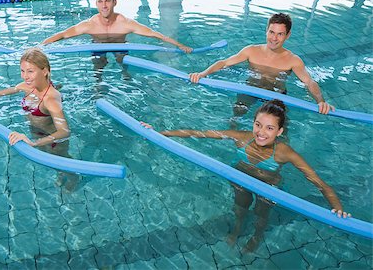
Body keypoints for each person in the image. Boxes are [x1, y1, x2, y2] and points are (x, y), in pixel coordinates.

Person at [143, 99, 349, 252]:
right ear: (253, 123)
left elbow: (320, 183)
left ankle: (257, 236)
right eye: (258, 125)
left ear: (279, 131)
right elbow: (199, 132)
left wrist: (338, 209)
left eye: (270, 128)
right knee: (240, 208)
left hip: (268, 188)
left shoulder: (284, 152)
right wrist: (160, 133)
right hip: (240, 180)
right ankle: (238, 228)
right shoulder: (241, 138)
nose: (261, 132)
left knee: (261, 214)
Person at [0, 48, 80, 191]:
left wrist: (33, 143)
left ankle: (74, 178)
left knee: (59, 160)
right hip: (36, 132)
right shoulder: (26, 87)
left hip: (53, 141)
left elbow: (64, 131)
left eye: (30, 71)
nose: (25, 76)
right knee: (51, 163)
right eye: (22, 71)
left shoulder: (51, 99)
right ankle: (61, 174)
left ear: (44, 71)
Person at [189, 13, 335, 118]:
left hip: (275, 96)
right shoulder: (251, 51)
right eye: (271, 32)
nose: (274, 38)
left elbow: (309, 82)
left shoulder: (293, 60)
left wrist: (321, 102)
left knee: (280, 128)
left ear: (287, 35)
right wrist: (202, 74)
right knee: (235, 117)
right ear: (266, 30)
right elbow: (224, 63)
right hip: (250, 89)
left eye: (280, 34)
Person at [41, 0, 192, 75]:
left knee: (123, 63)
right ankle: (98, 87)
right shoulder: (89, 24)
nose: (104, 5)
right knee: (98, 68)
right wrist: (41, 46)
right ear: (97, 4)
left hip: (120, 47)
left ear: (115, 2)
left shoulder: (125, 23)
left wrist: (180, 45)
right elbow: (63, 35)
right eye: (100, 2)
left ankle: (126, 81)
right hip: (98, 46)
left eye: (107, 1)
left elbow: (156, 35)